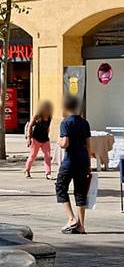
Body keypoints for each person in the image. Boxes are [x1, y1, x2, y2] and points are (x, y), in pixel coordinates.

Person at [56, 95, 91, 234]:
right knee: (80, 192)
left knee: (61, 187)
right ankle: (81, 226)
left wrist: (58, 140)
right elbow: (89, 146)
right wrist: (89, 163)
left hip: (70, 161)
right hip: (83, 161)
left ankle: (71, 218)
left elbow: (65, 143)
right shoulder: (84, 122)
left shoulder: (65, 122)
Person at [24, 100, 53, 179]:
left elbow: (48, 127)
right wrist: (29, 138)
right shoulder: (37, 116)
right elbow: (30, 126)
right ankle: (27, 171)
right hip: (35, 138)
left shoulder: (50, 116)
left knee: (47, 156)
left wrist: (48, 135)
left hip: (45, 139)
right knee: (33, 155)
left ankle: (48, 173)